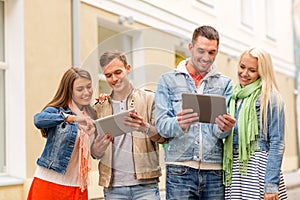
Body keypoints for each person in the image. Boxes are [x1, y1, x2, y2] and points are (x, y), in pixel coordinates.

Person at [155, 25, 236, 199]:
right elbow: (161, 125)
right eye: (201, 51)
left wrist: (225, 127)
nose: (206, 58)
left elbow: (222, 134)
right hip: (179, 170)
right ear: (190, 48)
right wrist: (179, 124)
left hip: (214, 171)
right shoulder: (167, 81)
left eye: (212, 52)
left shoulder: (225, 84)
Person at [91, 50, 166, 200]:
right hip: (113, 188)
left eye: (118, 72)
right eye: (108, 75)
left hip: (146, 186)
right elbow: (94, 153)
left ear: (128, 69)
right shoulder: (99, 107)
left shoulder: (150, 99)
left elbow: (163, 138)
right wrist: (97, 148)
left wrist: (144, 127)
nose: (114, 79)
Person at [223, 47, 288, 200]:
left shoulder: (270, 97)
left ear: (262, 72)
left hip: (258, 170)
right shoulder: (233, 96)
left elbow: (277, 143)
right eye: (242, 67)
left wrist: (271, 185)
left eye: (252, 70)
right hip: (236, 169)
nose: (244, 73)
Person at [27, 67, 96, 200]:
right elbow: (38, 119)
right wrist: (72, 118)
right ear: (69, 91)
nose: (86, 92)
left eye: (89, 87)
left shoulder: (92, 115)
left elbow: (96, 152)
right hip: (49, 184)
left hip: (79, 187)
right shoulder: (58, 111)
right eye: (80, 89)